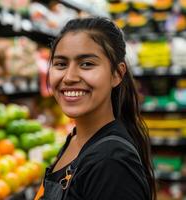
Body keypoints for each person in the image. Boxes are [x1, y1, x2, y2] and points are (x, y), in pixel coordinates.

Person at [34, 17, 156, 200]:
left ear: (117, 74)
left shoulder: (112, 163)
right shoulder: (76, 138)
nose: (69, 77)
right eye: (60, 64)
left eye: (87, 64)